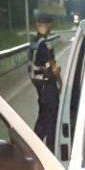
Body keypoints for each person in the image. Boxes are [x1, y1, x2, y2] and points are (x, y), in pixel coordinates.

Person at [30, 15, 61, 149]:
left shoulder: (34, 42)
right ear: (47, 25)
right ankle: (50, 149)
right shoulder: (44, 44)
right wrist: (60, 82)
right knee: (51, 120)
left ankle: (33, 148)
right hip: (47, 86)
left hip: (39, 85)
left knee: (43, 118)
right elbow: (52, 66)